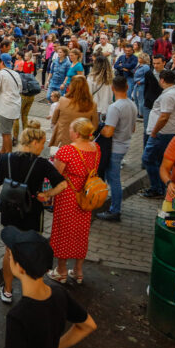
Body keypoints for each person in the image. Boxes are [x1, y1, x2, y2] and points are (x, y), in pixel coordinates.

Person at [0, 122, 67, 304]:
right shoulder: (41, 164)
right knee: (31, 250)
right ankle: (30, 290)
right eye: (42, 143)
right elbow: (62, 184)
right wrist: (46, 195)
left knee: (9, 252)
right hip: (32, 212)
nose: (44, 147)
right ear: (33, 143)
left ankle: (8, 291)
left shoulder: (5, 158)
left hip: (9, 212)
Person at [48, 118, 100, 283]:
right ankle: (78, 271)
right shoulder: (96, 148)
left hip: (68, 196)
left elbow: (56, 176)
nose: (69, 132)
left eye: (70, 129)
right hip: (86, 196)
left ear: (77, 133)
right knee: (81, 232)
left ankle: (61, 271)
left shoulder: (66, 151)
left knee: (63, 232)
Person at [97, 76, 138, 222]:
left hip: (115, 147)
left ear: (113, 89)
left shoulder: (115, 107)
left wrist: (98, 128)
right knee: (112, 178)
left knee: (113, 180)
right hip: (125, 144)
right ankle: (114, 206)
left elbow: (108, 132)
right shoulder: (132, 104)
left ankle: (115, 210)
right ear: (127, 87)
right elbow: (133, 128)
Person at [140, 69, 175, 199]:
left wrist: (154, 132)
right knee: (159, 161)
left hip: (162, 133)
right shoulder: (173, 92)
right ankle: (160, 187)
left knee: (147, 158)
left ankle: (156, 188)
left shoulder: (169, 96)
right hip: (167, 132)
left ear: (162, 80)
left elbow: (164, 116)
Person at [49, 75, 97, 148]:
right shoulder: (92, 105)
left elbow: (54, 120)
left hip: (61, 142)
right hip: (81, 145)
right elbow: (94, 126)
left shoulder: (62, 101)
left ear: (71, 87)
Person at [0, 53, 23, 156]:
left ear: (1, 62)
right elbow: (20, 89)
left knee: (6, 133)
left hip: (5, 108)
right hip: (14, 106)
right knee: (6, 131)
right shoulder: (15, 74)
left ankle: (8, 157)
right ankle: (3, 151)